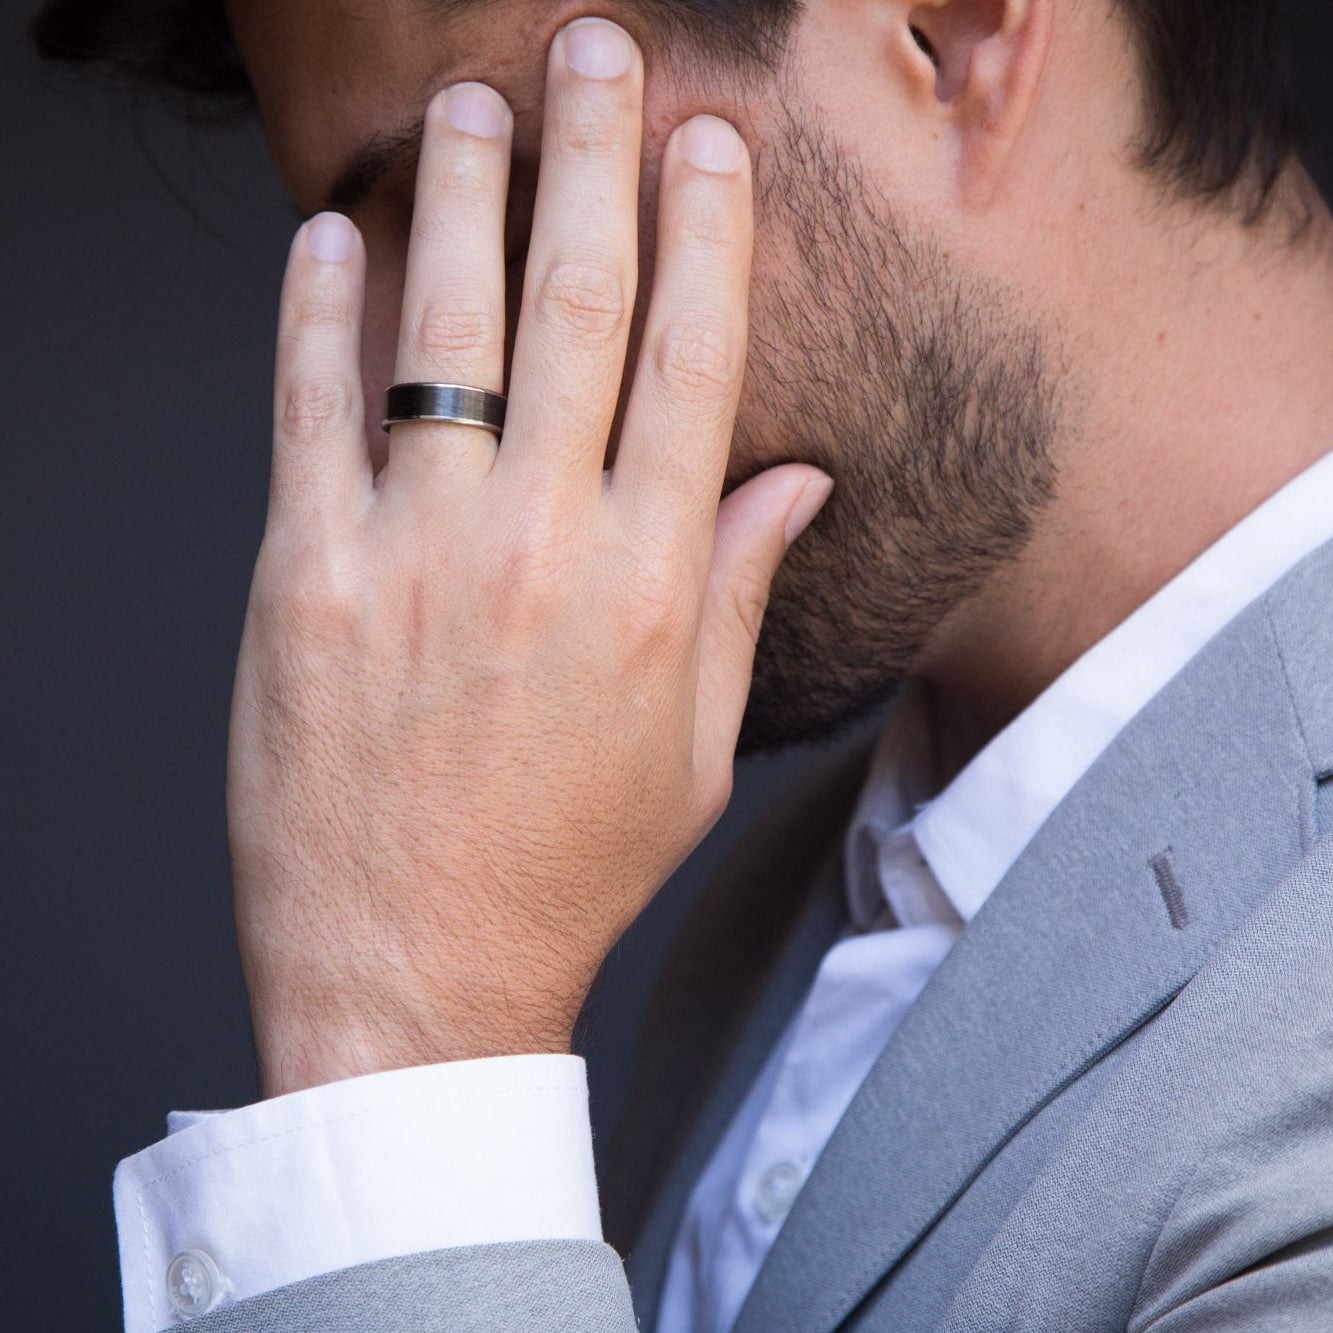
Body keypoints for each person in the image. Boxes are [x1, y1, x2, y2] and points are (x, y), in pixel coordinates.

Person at [32, 0, 1333, 1328]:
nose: (396, 385)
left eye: (485, 196)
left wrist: (408, 1047)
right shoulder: (793, 906)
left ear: (951, 33)